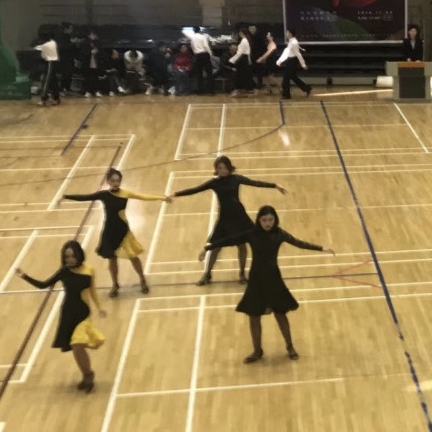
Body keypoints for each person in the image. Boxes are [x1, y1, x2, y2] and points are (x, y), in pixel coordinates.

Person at [200, 206, 334, 363]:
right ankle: (257, 351)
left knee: (280, 314)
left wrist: (321, 248)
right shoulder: (252, 233)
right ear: (259, 220)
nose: (267, 223)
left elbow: (299, 243)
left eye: (270, 220)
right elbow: (230, 239)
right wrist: (206, 248)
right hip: (256, 280)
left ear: (275, 220)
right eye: (264, 220)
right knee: (254, 316)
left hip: (274, 279)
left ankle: (290, 347)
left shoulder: (279, 234)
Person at [170, 156, 287, 285]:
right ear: (216, 169)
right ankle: (207, 274)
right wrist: (175, 194)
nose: (222, 170)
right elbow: (195, 190)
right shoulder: (214, 183)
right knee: (216, 247)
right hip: (224, 218)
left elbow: (255, 183)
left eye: (225, 167)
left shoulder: (237, 179)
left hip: (239, 217)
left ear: (229, 168)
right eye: (219, 168)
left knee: (242, 246)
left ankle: (242, 275)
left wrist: (275, 186)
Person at [15, 241, 107, 392]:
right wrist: (25, 276)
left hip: (83, 313)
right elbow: (44, 285)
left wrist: (100, 308)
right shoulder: (64, 272)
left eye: (72, 256)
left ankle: (89, 375)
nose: (69, 259)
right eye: (66, 257)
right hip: (68, 313)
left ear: (79, 255)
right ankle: (86, 374)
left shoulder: (89, 270)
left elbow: (92, 291)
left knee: (77, 345)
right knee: (76, 348)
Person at [62, 168, 169, 297]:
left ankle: (142, 280)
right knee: (112, 260)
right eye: (113, 181)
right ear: (108, 181)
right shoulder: (103, 195)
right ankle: (115, 284)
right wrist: (66, 196)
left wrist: (162, 198)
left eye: (118, 181)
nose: (116, 183)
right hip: (109, 231)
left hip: (123, 231)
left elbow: (143, 196)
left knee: (133, 257)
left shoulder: (125, 193)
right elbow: (86, 197)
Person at [276, 29, 312, 99]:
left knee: (286, 78)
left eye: (287, 33)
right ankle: (307, 88)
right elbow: (287, 52)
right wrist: (280, 60)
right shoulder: (291, 41)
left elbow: (298, 54)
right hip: (290, 61)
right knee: (293, 77)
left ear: (291, 34)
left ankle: (286, 95)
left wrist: (303, 64)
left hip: (292, 61)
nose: (286, 34)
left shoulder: (294, 42)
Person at [184, 27, 214, 95]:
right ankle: (211, 91)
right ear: (199, 30)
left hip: (197, 56)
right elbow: (206, 46)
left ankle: (200, 91)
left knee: (198, 74)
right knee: (209, 73)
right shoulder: (203, 37)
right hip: (204, 54)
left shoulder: (192, 38)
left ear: (193, 31)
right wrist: (210, 54)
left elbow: (192, 47)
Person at [35, 32, 62, 106]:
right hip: (55, 63)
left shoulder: (45, 45)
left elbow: (43, 56)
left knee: (46, 81)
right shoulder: (53, 42)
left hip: (49, 63)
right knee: (53, 82)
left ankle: (43, 99)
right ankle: (56, 98)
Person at [229, 28, 255, 96]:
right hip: (243, 58)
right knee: (242, 74)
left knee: (242, 75)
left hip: (242, 59)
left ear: (241, 33)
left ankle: (244, 90)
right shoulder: (244, 40)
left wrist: (233, 60)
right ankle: (242, 90)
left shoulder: (244, 41)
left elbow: (240, 53)